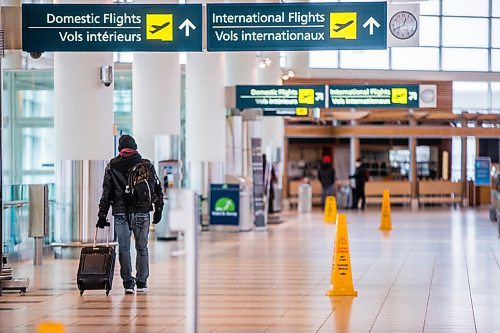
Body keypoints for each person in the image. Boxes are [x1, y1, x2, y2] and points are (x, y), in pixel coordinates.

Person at [97, 135, 163, 294]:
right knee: (142, 247)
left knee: (124, 249)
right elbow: (156, 188)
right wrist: (158, 208)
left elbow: (107, 193)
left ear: (120, 148)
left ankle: (128, 284)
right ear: (135, 147)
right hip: (141, 211)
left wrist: (102, 215)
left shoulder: (112, 166)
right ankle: (141, 282)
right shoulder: (145, 165)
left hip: (120, 213)